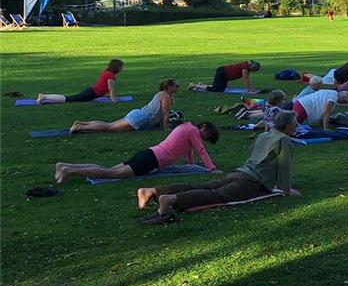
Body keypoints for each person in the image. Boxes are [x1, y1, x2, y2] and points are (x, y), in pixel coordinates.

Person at [138, 110, 300, 224]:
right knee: (216, 195)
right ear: (286, 126)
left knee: (201, 186)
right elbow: (284, 165)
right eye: (295, 123)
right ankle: (170, 199)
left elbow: (252, 155)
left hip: (239, 173)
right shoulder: (284, 140)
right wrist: (286, 189)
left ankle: (153, 191)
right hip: (251, 181)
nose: (297, 126)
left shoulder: (263, 135)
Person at [55, 120, 220, 183]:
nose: (205, 139)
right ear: (203, 127)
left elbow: (191, 150)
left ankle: (64, 166)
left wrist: (191, 166)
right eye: (207, 135)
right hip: (150, 160)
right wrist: (211, 169)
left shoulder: (187, 127)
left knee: (109, 169)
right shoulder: (193, 131)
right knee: (110, 174)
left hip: (148, 153)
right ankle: (70, 171)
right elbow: (201, 150)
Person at [69, 78, 178, 134]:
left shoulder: (162, 94)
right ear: (169, 87)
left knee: (109, 125)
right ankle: (80, 127)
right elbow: (165, 114)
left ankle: (81, 123)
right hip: (140, 118)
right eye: (176, 85)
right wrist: (165, 128)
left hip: (138, 114)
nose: (178, 87)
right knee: (109, 128)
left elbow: (159, 114)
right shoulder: (166, 96)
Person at [37, 59, 124, 104]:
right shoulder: (111, 75)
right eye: (121, 67)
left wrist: (110, 96)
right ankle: (44, 96)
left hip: (91, 92)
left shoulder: (107, 72)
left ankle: (45, 97)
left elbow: (106, 88)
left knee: (71, 99)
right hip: (91, 93)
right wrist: (114, 100)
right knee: (69, 99)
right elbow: (111, 88)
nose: (121, 69)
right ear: (116, 67)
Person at [188, 60, 260, 94]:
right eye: (255, 70)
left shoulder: (247, 67)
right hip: (222, 72)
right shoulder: (245, 68)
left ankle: (200, 85)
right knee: (215, 89)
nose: (254, 71)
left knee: (219, 88)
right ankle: (194, 85)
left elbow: (247, 79)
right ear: (253, 67)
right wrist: (249, 91)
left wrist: (251, 89)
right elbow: (246, 80)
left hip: (224, 75)